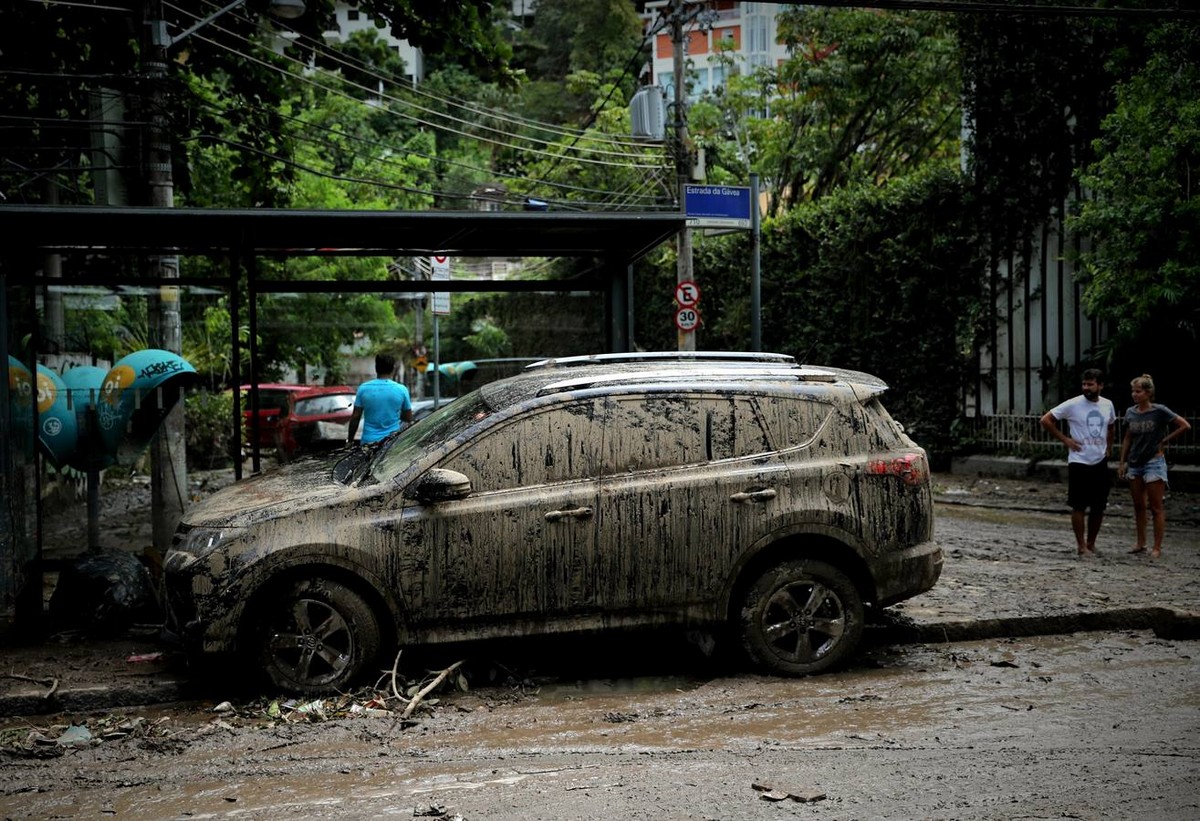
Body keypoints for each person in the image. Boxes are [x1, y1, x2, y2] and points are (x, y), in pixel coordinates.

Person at [1040, 368, 1117, 556]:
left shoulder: (1107, 405)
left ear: (1100, 385)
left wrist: (1109, 447)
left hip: (1099, 460)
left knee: (1099, 506)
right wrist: (1065, 439)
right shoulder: (1073, 404)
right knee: (1079, 505)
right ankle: (1081, 545)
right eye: (1084, 384)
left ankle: (1091, 543)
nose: (1086, 388)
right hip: (1079, 461)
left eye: (1091, 384)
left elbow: (1111, 426)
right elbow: (1046, 420)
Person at [1117, 374, 1192, 559]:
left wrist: (1164, 440)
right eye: (1133, 391)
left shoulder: (1159, 411)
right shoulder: (1131, 412)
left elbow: (1184, 425)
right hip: (1135, 461)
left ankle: (1157, 546)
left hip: (1153, 461)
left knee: (1156, 506)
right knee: (1138, 505)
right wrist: (1122, 461)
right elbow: (1128, 438)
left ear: (1148, 393)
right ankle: (1140, 542)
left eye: (1138, 391)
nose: (1134, 395)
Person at [347, 353, 413, 445]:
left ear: (376, 368)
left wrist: (350, 440)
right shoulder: (402, 390)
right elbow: (408, 417)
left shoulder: (363, 388)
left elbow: (355, 417)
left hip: (368, 443)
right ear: (392, 369)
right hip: (391, 443)